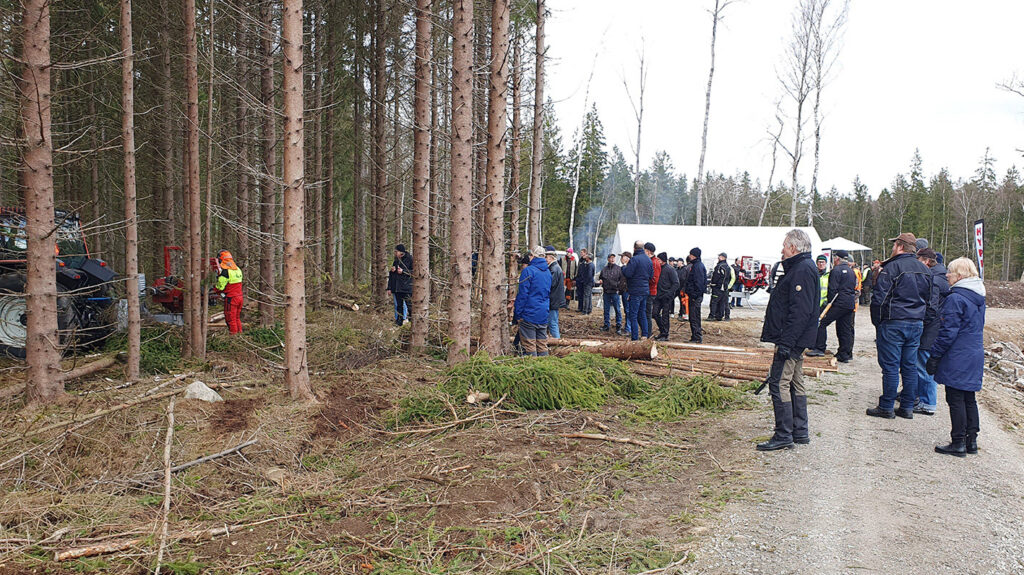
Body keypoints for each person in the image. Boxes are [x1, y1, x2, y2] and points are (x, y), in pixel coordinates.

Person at [757, 229, 820, 451]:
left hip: (792, 339)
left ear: (793, 247)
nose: (781, 250)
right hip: (796, 338)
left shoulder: (802, 269)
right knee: (795, 381)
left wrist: (786, 342)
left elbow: (800, 312)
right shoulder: (803, 267)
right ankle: (800, 431)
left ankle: (784, 433)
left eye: (784, 246)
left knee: (779, 382)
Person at [867, 233, 933, 419]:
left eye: (895, 245)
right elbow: (930, 301)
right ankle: (906, 407)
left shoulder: (892, 267)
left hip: (894, 322)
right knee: (909, 366)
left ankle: (887, 406)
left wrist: (878, 322)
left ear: (901, 246)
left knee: (890, 366)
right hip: (915, 323)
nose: (893, 248)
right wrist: (922, 319)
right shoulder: (924, 269)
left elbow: (879, 299)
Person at [926, 257, 985, 456]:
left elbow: (948, 332)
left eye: (950, 272)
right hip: (974, 351)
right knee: (969, 397)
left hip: (958, 353)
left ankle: (958, 441)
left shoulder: (956, 298)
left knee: (956, 397)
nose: (947, 275)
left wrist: (934, 355)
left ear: (959, 276)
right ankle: (972, 441)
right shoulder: (979, 297)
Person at [914, 248, 950, 416]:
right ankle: (923, 398)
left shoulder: (934, 279)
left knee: (924, 366)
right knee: (923, 365)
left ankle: (927, 402)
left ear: (927, 261)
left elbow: (932, 308)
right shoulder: (941, 277)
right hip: (935, 329)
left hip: (930, 331)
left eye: (919, 260)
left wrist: (922, 323)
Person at [809, 249, 857, 361]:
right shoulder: (851, 271)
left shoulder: (836, 271)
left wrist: (829, 304)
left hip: (838, 303)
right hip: (849, 303)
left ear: (837, 259)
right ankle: (845, 353)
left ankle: (819, 348)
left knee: (821, 323)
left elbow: (832, 289)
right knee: (844, 328)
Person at [514, 246, 553, 356]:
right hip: (543, 313)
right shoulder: (548, 273)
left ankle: (532, 370)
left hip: (529, 313)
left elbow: (522, 295)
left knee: (529, 346)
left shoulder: (528, 271)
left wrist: (518, 314)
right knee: (542, 345)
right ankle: (545, 369)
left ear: (533, 256)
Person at [621, 240, 653, 340]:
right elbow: (651, 275)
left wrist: (624, 267)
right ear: (643, 248)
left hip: (635, 290)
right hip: (645, 290)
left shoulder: (634, 260)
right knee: (642, 313)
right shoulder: (648, 260)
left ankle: (634, 338)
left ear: (634, 248)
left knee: (633, 315)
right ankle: (644, 335)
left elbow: (628, 274)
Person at [215, 250, 244, 334]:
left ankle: (233, 337)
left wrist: (214, 288)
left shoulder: (225, 271)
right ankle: (240, 335)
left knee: (230, 319)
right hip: (239, 297)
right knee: (237, 318)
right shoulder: (237, 269)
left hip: (231, 299)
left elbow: (220, 286)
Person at [653, 252, 680, 340]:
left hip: (667, 297)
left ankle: (665, 334)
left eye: (659, 259)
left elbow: (676, 283)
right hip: (658, 296)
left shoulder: (670, 270)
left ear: (662, 260)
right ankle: (662, 331)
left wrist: (669, 293)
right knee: (655, 313)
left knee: (665, 316)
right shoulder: (657, 268)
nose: (657, 260)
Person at [597, 253, 625, 334]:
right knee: (606, 310)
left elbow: (622, 280)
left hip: (615, 292)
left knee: (618, 309)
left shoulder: (618, 269)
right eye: (611, 258)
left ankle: (618, 325)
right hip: (606, 292)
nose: (612, 259)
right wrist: (601, 282)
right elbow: (600, 278)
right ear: (608, 259)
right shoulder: (604, 269)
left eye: (613, 258)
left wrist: (618, 288)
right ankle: (606, 325)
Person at [387, 244, 413, 327]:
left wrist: (403, 271)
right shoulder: (396, 260)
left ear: (401, 252)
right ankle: (399, 322)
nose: (395, 253)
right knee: (399, 306)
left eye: (396, 251)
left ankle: (412, 321)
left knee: (410, 305)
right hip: (397, 288)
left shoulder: (410, 259)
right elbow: (391, 276)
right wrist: (389, 287)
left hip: (407, 287)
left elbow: (414, 272)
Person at [684, 248, 707, 342]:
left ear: (694, 255)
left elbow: (699, 282)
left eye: (690, 254)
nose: (689, 256)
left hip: (695, 296)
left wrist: (694, 295)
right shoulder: (696, 265)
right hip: (694, 295)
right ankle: (695, 336)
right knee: (693, 316)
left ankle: (697, 337)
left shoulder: (697, 266)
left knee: (694, 317)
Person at [544, 246, 566, 339]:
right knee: (552, 322)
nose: (545, 259)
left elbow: (550, 284)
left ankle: (557, 342)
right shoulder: (555, 267)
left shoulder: (554, 269)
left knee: (553, 323)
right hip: (555, 299)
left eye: (546, 257)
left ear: (551, 257)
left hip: (553, 299)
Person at [708, 252, 730, 321]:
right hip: (725, 288)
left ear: (723, 257)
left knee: (714, 302)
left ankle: (712, 316)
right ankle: (719, 316)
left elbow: (717, 277)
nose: (718, 258)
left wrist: (713, 284)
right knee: (722, 303)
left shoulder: (720, 266)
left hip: (718, 288)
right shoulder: (728, 266)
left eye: (720, 256)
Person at [644, 242, 661, 330]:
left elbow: (654, 279)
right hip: (647, 290)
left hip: (650, 291)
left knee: (647, 314)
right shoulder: (651, 261)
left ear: (648, 251)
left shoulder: (654, 263)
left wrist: (644, 278)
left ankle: (648, 333)